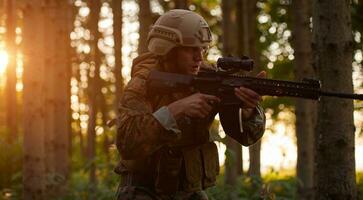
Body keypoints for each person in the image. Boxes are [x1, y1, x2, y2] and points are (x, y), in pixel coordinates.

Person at [115, 9, 266, 200]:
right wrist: (175, 110)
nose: (199, 57)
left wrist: (246, 110)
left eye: (202, 49)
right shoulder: (143, 83)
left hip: (188, 191)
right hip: (144, 189)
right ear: (169, 49)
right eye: (191, 49)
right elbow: (127, 144)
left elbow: (246, 137)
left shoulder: (209, 77)